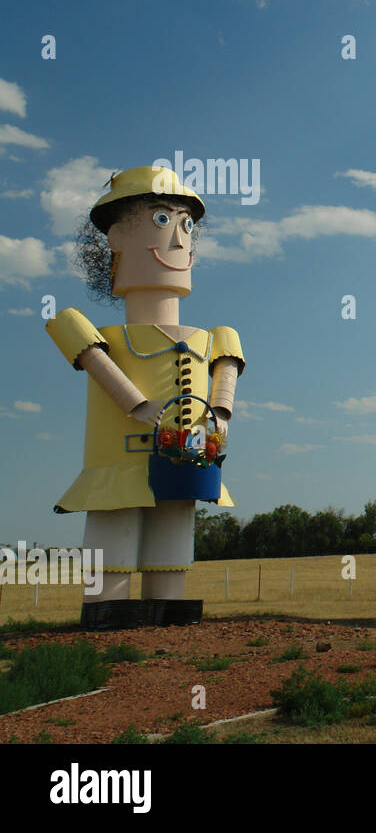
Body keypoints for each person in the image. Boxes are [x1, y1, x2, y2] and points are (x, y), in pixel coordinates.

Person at [45, 166, 245, 629]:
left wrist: (219, 414)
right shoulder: (87, 331)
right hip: (116, 458)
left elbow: (224, 379)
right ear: (116, 237)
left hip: (187, 459)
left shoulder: (215, 336)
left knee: (172, 536)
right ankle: (105, 613)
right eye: (161, 220)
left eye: (186, 225)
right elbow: (101, 368)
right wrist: (137, 405)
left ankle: (168, 611)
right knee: (113, 530)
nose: (179, 240)